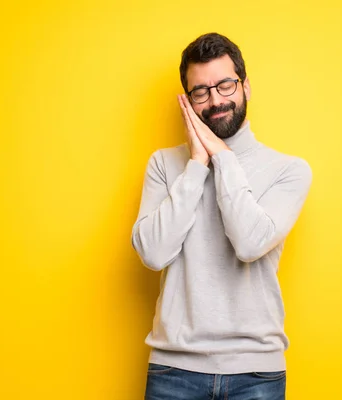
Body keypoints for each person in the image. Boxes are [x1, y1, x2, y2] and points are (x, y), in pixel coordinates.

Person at [131, 32, 312, 400]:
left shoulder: (288, 170)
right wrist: (198, 163)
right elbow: (152, 254)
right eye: (201, 91)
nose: (216, 101)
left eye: (225, 85)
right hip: (173, 370)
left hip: (257, 373)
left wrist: (222, 156)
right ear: (188, 100)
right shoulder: (165, 165)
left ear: (245, 86)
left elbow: (249, 243)